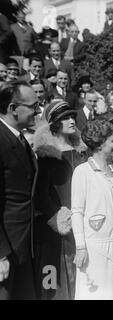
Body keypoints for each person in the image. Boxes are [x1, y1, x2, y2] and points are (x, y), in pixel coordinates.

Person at [33, 100, 87, 300]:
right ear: (54, 123)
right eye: (66, 117)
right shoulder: (46, 155)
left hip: (81, 226)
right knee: (54, 281)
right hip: (55, 230)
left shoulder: (82, 152)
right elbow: (40, 194)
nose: (72, 120)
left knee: (78, 279)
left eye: (73, 116)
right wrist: (59, 217)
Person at [71, 119, 113, 300]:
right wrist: (81, 247)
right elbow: (77, 211)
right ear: (99, 143)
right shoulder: (83, 171)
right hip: (95, 247)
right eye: (112, 140)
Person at [0, 81, 40, 299]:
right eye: (33, 106)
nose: (38, 110)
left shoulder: (19, 137)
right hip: (6, 251)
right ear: (13, 109)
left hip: (24, 247)